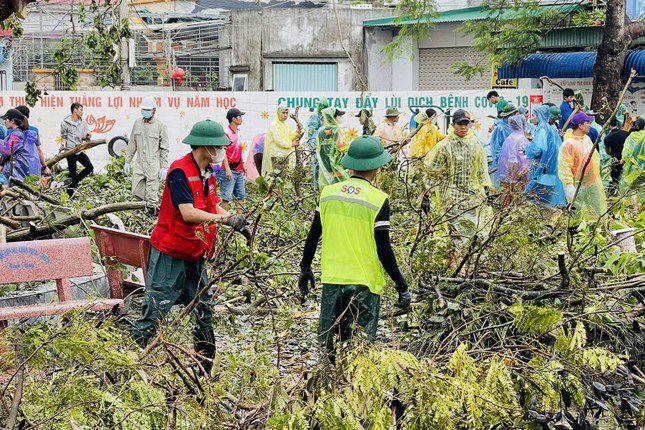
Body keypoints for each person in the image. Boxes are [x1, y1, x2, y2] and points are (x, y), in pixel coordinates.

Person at [132, 120, 251, 375]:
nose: (221, 152)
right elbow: (187, 213)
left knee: (203, 308)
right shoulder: (179, 172)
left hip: (195, 253)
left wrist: (234, 220)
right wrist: (224, 219)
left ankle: (204, 367)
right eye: (218, 147)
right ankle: (128, 365)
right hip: (170, 253)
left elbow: (211, 206)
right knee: (156, 309)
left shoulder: (207, 171)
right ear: (206, 147)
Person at [298, 135, 411, 362]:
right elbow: (384, 249)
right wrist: (401, 285)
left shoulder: (328, 193)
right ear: (377, 166)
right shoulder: (378, 199)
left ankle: (327, 390)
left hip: (332, 279)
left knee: (329, 347)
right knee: (358, 349)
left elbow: (313, 235)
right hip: (364, 284)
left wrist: (305, 268)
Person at [424, 109, 493, 252]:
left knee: (476, 230)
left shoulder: (475, 145)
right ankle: (456, 262)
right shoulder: (444, 146)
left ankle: (468, 261)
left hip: (472, 196)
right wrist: (426, 193)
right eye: (460, 124)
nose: (463, 127)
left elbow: (481, 170)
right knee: (455, 234)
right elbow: (432, 172)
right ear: (453, 124)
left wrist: (487, 190)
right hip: (451, 198)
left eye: (466, 124)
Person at [558, 112, 607, 221]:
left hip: (591, 181)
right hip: (578, 184)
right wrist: (569, 185)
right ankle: (575, 235)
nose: (590, 125)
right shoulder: (568, 144)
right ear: (580, 126)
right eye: (587, 122)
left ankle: (596, 230)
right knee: (577, 213)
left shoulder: (586, 139)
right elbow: (564, 166)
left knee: (596, 210)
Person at [124, 96, 169, 206]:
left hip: (153, 165)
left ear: (154, 110)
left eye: (148, 110)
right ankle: (142, 211)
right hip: (139, 164)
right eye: (144, 109)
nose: (145, 112)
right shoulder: (137, 123)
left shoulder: (160, 126)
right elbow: (132, 144)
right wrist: (127, 161)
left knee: (151, 196)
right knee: (136, 191)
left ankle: (152, 214)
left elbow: (164, 148)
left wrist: (164, 166)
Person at [524, 105, 566, 208]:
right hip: (551, 169)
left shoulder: (542, 129)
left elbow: (537, 149)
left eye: (534, 115)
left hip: (543, 169)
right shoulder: (549, 128)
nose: (531, 118)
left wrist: (527, 151)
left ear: (540, 116)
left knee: (537, 199)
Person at [217, 108, 247, 212]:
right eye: (240, 116)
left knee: (240, 197)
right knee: (226, 198)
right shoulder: (226, 133)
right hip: (229, 170)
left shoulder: (239, 133)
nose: (241, 118)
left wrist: (243, 165)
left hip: (239, 170)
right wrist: (227, 169)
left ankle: (241, 220)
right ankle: (223, 220)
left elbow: (239, 150)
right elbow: (223, 153)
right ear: (234, 119)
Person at [61, 102, 92, 197]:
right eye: (81, 110)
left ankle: (72, 183)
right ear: (75, 109)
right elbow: (64, 137)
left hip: (79, 149)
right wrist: (63, 145)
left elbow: (84, 137)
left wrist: (88, 136)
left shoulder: (83, 124)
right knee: (72, 173)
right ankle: (69, 195)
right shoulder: (65, 123)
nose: (82, 112)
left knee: (89, 167)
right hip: (70, 151)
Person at [498, 113, 530, 204]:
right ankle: (518, 210)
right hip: (518, 167)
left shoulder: (509, 137)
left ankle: (504, 211)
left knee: (507, 190)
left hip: (508, 166)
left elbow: (504, 155)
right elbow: (523, 154)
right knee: (519, 191)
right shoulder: (522, 138)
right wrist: (525, 168)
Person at [261, 105, 299, 177]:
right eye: (283, 113)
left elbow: (289, 137)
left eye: (286, 113)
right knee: (277, 178)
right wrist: (291, 144)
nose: (285, 115)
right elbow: (278, 141)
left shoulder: (285, 124)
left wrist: (297, 132)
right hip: (277, 156)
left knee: (285, 177)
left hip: (285, 155)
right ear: (278, 113)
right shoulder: (274, 125)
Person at [316, 107, 349, 189]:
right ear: (332, 117)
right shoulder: (337, 130)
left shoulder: (321, 131)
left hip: (325, 165)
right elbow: (344, 147)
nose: (341, 118)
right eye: (339, 116)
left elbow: (318, 148)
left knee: (328, 188)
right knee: (339, 187)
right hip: (337, 165)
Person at [15, 105, 50, 177]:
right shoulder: (34, 130)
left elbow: (6, 152)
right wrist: (44, 166)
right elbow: (38, 149)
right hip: (32, 165)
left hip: (16, 166)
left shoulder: (10, 131)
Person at [489, 104, 518, 188]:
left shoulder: (513, 126)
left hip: (515, 163)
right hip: (505, 164)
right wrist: (503, 163)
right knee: (505, 190)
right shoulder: (500, 128)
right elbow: (497, 148)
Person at [0, 109, 30, 181]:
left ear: (12, 121)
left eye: (6, 119)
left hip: (15, 170)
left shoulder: (16, 134)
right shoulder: (16, 133)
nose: (5, 122)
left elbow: (7, 151)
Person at [306, 97, 330, 189]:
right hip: (315, 142)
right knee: (316, 163)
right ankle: (316, 186)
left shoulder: (324, 115)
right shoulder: (315, 116)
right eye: (323, 107)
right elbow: (312, 131)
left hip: (322, 143)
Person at [619, 117, 644, 201]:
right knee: (642, 187)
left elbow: (626, 153)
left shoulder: (630, 137)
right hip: (643, 167)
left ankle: (631, 204)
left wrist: (623, 160)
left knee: (630, 187)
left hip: (631, 167)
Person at [603, 118, 630, 191]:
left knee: (614, 180)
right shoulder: (626, 133)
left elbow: (608, 152)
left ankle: (612, 195)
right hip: (627, 160)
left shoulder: (607, 138)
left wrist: (613, 155)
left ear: (608, 125)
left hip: (616, 162)